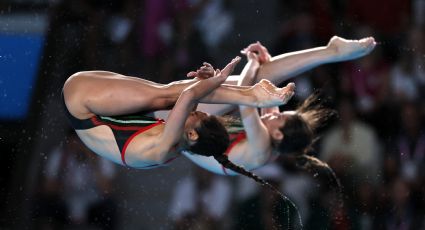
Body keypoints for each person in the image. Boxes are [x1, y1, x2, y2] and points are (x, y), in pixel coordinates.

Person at [182, 36, 376, 176]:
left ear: (278, 134)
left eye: (279, 117)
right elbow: (265, 87)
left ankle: (331, 52)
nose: (273, 115)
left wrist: (252, 62)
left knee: (250, 84)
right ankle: (330, 52)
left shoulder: (261, 148)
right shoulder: (274, 138)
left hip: (198, 139)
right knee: (262, 78)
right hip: (213, 133)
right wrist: (265, 60)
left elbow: (244, 94)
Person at [63, 56, 294, 169]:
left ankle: (252, 95)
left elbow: (188, 97)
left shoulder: (162, 148)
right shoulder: (179, 143)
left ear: (193, 135)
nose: (198, 112)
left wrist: (220, 79)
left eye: (200, 116)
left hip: (80, 101)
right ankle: (250, 94)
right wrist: (208, 81)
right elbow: (191, 100)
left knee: (166, 95)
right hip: (89, 111)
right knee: (172, 94)